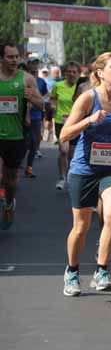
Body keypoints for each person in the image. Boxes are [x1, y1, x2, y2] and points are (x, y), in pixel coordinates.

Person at [61, 52, 111, 296]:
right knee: (81, 227)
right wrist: (89, 120)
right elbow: (64, 135)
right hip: (84, 168)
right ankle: (72, 272)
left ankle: (101, 270)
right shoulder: (87, 98)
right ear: (99, 73)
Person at [0, 42, 43, 229]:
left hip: (16, 137)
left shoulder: (26, 79)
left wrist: (31, 97)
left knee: (10, 180)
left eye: (16, 56)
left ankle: (9, 202)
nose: (14, 60)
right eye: (10, 57)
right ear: (1, 58)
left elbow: (42, 104)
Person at [51, 61, 81, 190]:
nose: (72, 74)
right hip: (61, 122)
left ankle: (69, 176)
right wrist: (52, 106)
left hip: (76, 123)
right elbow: (53, 99)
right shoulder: (58, 86)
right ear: (65, 73)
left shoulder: (81, 87)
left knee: (72, 155)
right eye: (69, 71)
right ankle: (62, 178)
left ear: (78, 74)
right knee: (63, 151)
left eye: (74, 72)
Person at [24, 57, 48, 177]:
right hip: (22, 115)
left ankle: (29, 167)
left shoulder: (41, 82)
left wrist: (39, 100)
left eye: (37, 63)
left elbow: (45, 94)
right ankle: (18, 164)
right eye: (33, 63)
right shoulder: (24, 78)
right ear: (28, 65)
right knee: (23, 142)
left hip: (36, 115)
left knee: (34, 142)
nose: (35, 66)